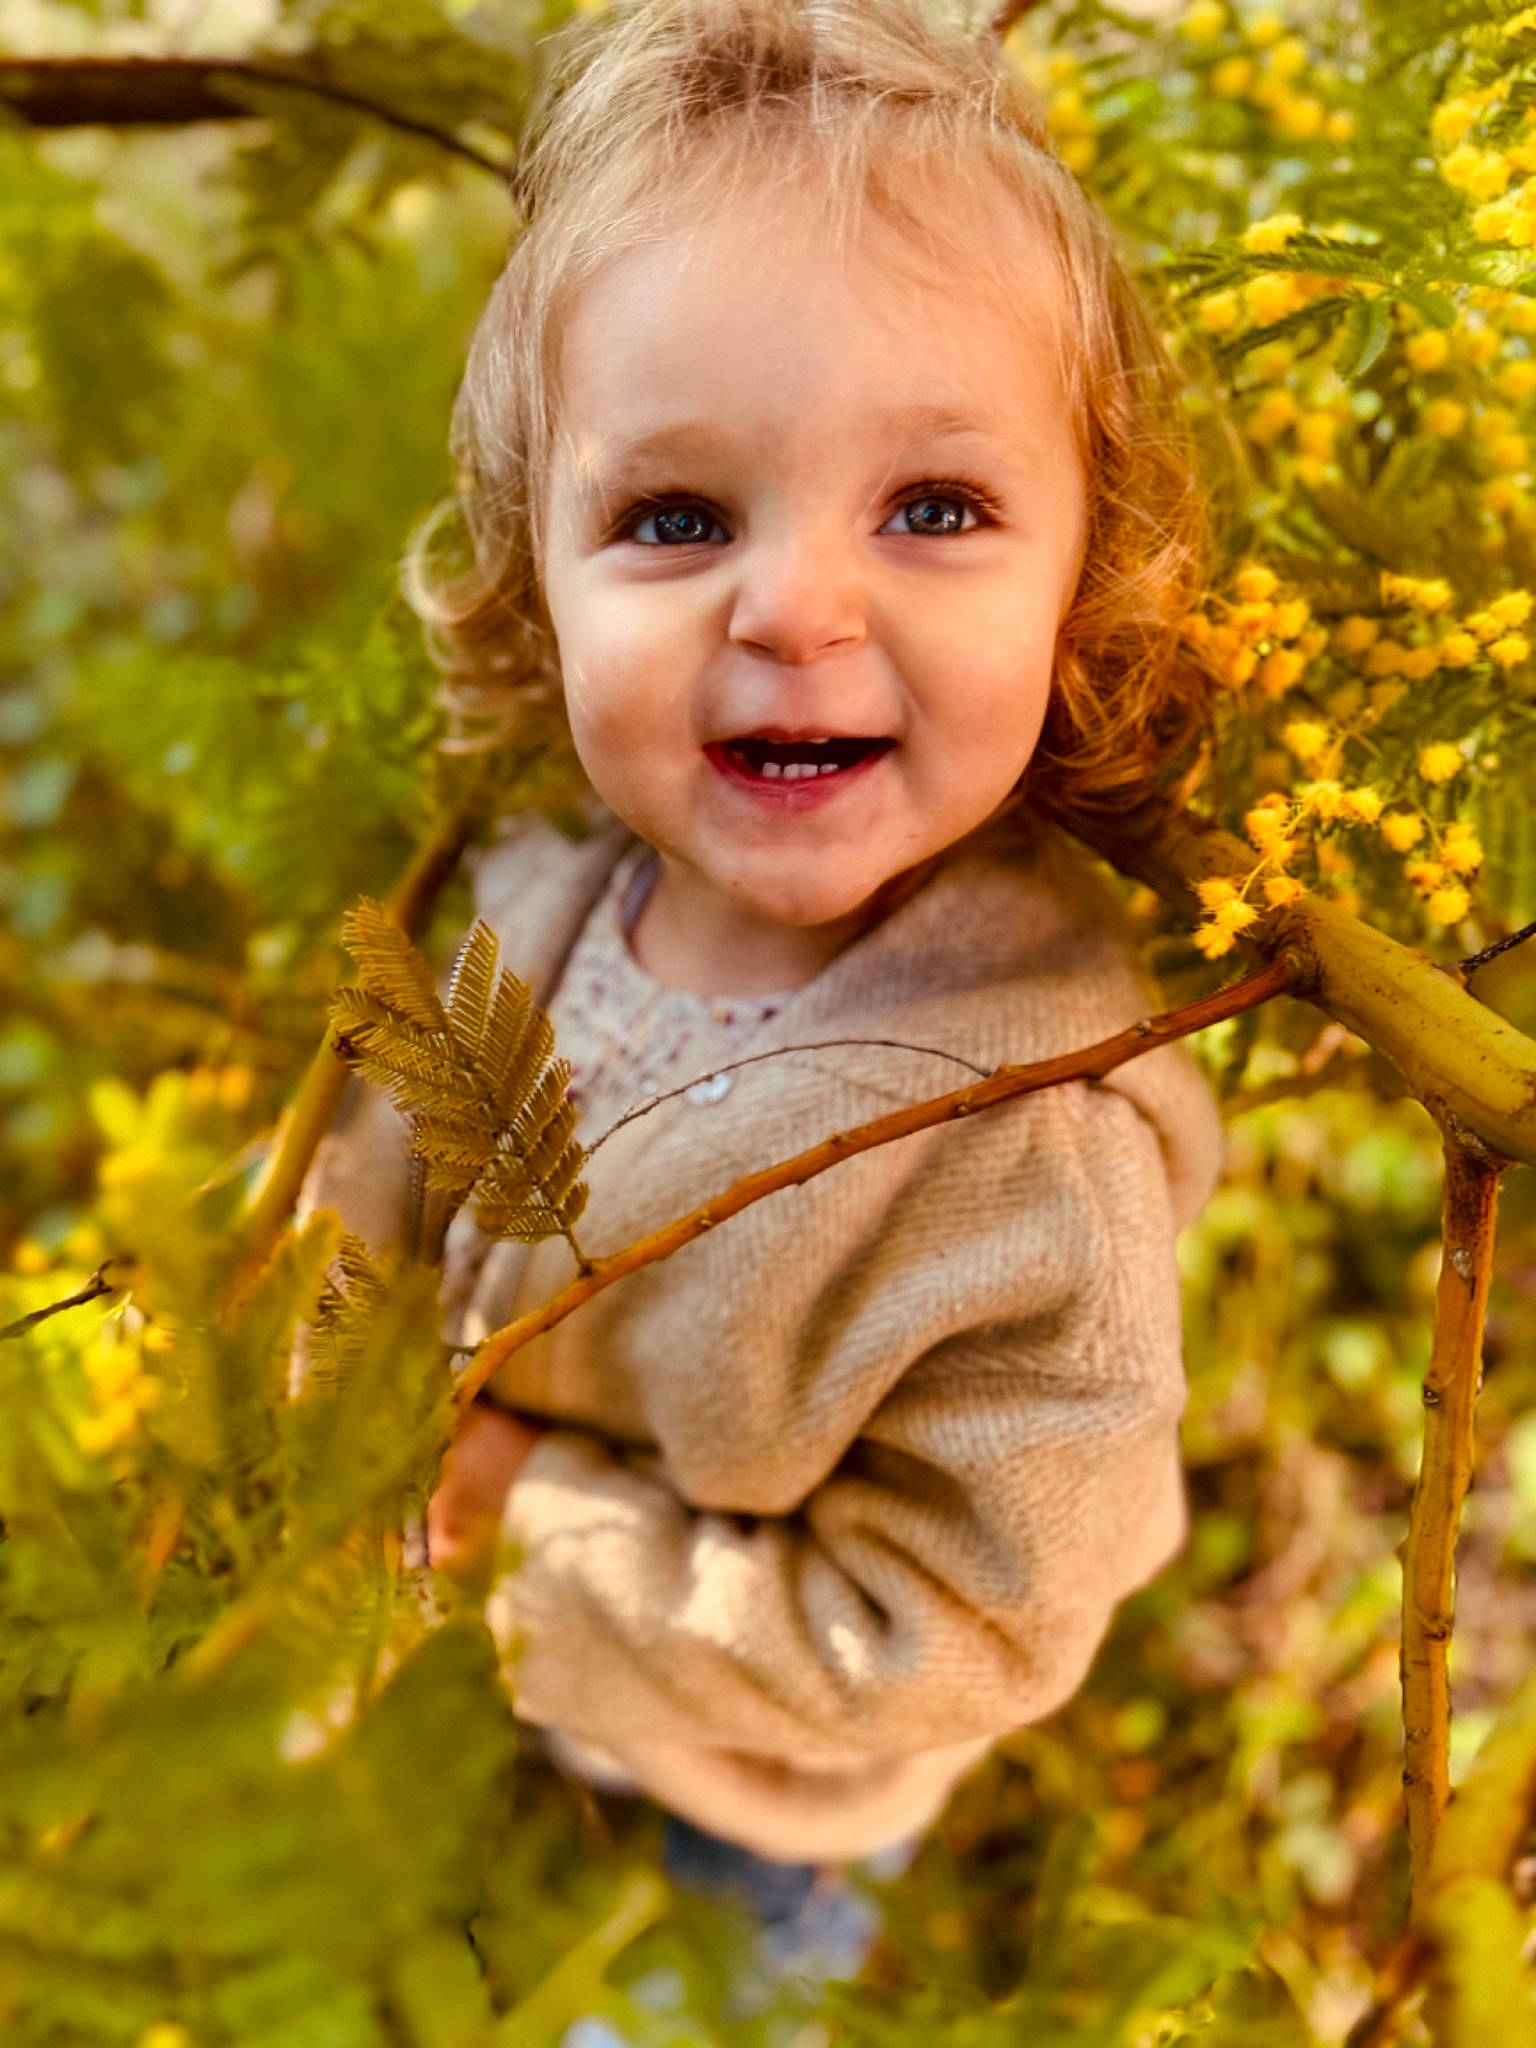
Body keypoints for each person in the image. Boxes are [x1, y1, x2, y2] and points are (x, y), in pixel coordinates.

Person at [297, 0, 1227, 1982]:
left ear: (1088, 568)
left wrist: (510, 1529)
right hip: (438, 1687)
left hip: (738, 1818)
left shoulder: (1026, 1150)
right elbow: (359, 1207)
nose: (794, 606)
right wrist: (303, 1420)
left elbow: (962, 1618)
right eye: (676, 516)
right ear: (529, 580)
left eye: (935, 509)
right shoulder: (532, 903)